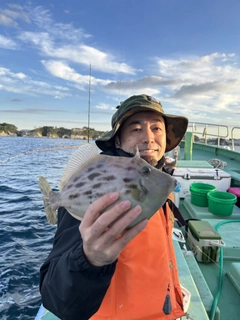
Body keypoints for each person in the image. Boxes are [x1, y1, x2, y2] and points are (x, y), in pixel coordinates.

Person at [39, 94, 189, 320]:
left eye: (157, 128)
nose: (148, 138)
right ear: (117, 141)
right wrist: (89, 259)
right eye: (135, 129)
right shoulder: (101, 187)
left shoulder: (157, 181)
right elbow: (56, 298)